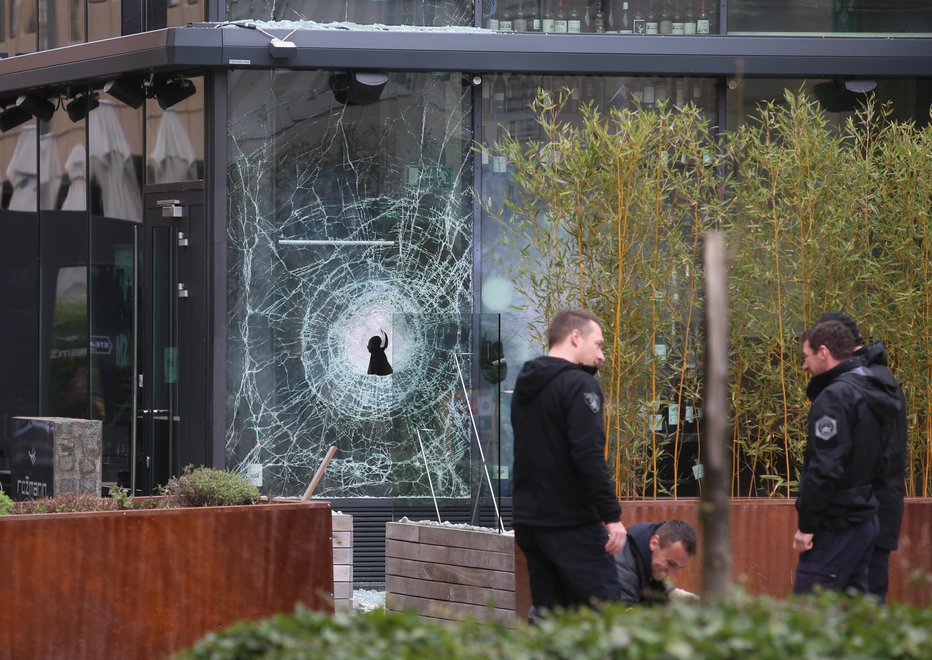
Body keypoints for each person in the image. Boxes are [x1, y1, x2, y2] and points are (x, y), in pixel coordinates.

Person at [511, 308, 627, 617]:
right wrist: (611, 516)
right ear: (575, 337)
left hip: (530, 522)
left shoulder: (524, 386)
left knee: (552, 618)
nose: (601, 356)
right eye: (599, 344)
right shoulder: (579, 385)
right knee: (605, 617)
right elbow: (587, 455)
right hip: (570, 523)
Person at [793, 320, 900, 594]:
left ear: (824, 352)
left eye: (807, 357)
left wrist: (806, 525)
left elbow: (825, 467)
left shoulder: (835, 398)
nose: (804, 367)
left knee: (808, 612)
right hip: (866, 517)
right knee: (857, 614)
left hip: (837, 522)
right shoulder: (875, 389)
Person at [817, 312, 908, 601]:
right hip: (870, 510)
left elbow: (871, 459)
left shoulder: (867, 386)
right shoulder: (876, 381)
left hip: (865, 512)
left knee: (859, 604)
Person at [614, 519, 697, 606]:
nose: (672, 573)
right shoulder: (622, 575)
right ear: (654, 543)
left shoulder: (651, 561)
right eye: (671, 563)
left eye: (679, 568)